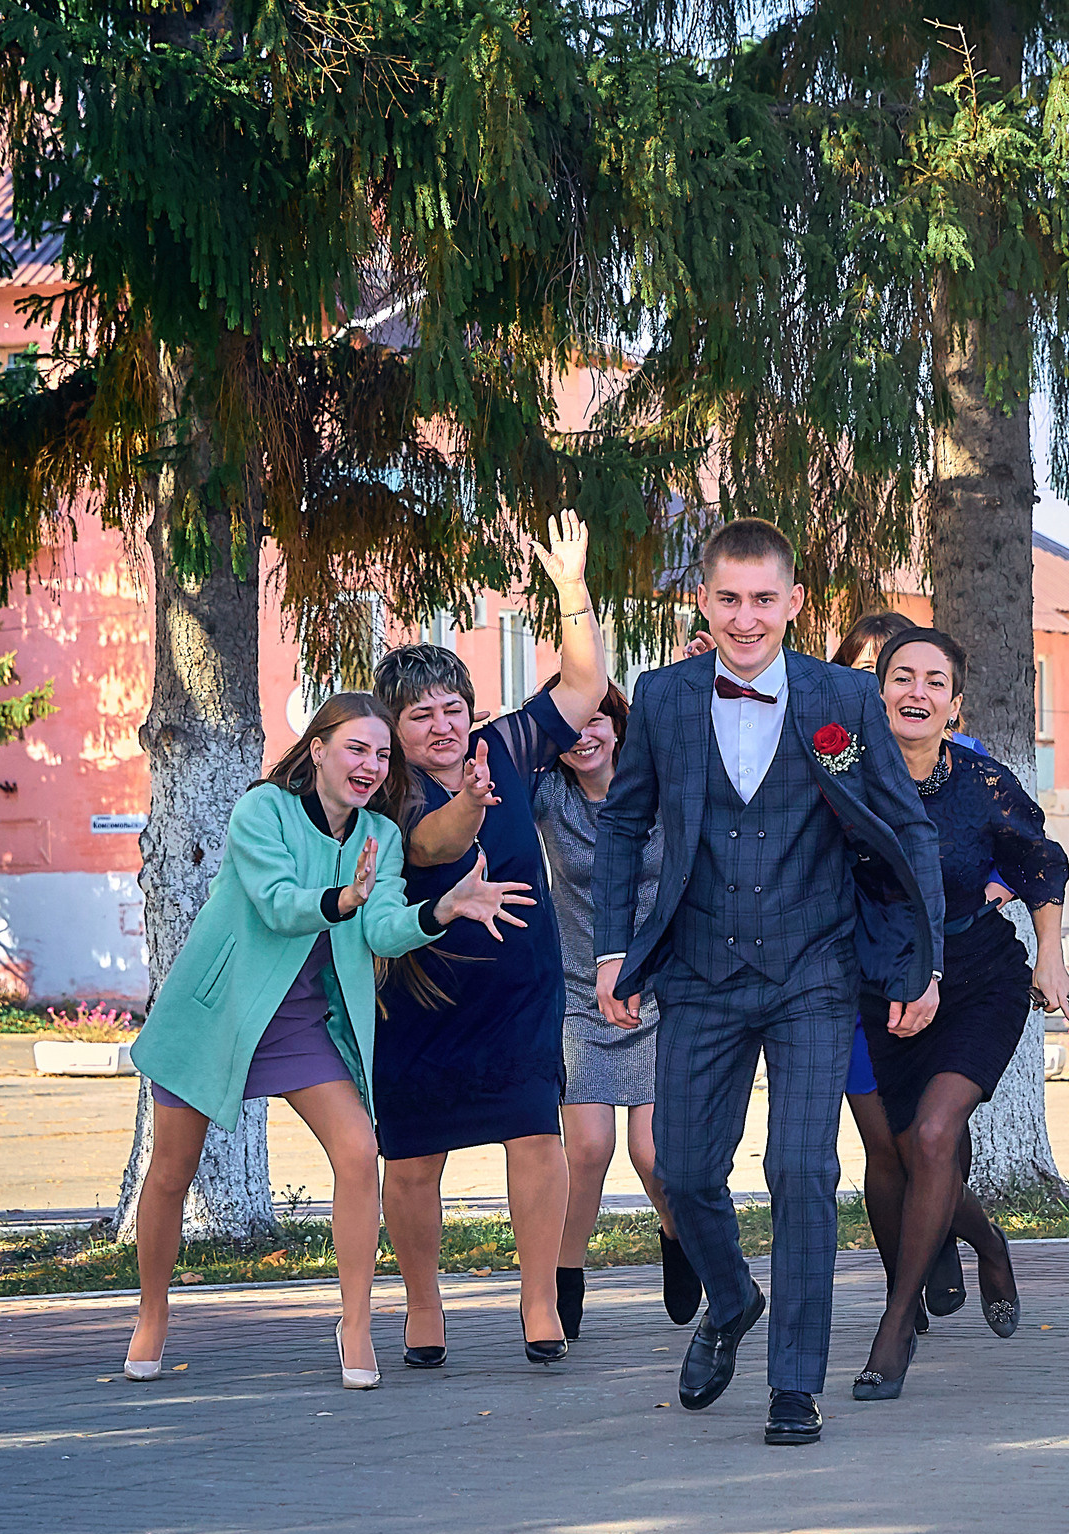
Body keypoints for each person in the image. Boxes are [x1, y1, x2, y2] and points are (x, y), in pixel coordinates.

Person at [592, 518, 942, 1446]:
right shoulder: (664, 699)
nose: (746, 618)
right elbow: (624, 826)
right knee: (684, 1169)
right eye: (728, 598)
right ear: (702, 602)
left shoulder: (844, 697)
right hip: (700, 969)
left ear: (794, 602)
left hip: (813, 971)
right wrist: (610, 951)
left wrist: (924, 959)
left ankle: (796, 1383)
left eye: (763, 599)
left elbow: (909, 830)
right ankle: (731, 1294)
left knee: (801, 1169)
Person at [123, 693, 531, 1388]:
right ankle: (153, 1312)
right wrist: (343, 897)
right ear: (316, 748)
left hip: (301, 1023)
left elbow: (381, 930)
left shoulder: (380, 834)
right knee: (170, 1172)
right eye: (356, 748)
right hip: (218, 1014)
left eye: (380, 754)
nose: (371, 765)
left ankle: (355, 1322)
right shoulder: (263, 811)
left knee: (358, 1150)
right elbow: (279, 903)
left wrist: (444, 907)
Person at [371, 512, 609, 1368]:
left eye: (452, 708)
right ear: (391, 727)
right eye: (421, 715)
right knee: (410, 1161)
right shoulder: (382, 788)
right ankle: (424, 1308)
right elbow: (431, 843)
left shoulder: (501, 743)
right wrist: (472, 801)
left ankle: (539, 1302)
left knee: (536, 1137)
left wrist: (571, 588)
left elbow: (582, 688)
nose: (442, 724)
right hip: (419, 994)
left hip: (516, 987)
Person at [847, 629, 1069, 1400]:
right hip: (878, 979)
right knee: (900, 1150)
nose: (916, 693)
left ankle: (894, 1326)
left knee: (935, 1134)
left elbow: (1040, 861)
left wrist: (1049, 952)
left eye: (934, 682)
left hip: (979, 975)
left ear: (955, 704)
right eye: (901, 678)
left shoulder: (981, 783)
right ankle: (987, 1241)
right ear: (877, 692)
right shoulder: (843, 775)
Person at [530, 674, 696, 1333]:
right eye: (569, 726)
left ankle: (678, 1236)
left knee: (654, 1155)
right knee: (588, 1147)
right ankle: (560, 1280)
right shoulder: (547, 797)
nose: (584, 735)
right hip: (578, 995)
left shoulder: (661, 786)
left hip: (663, 992)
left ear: (620, 723)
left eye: (597, 720)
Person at [829, 611, 975, 1326]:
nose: (897, 691)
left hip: (939, 971)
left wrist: (996, 884)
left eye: (923, 678)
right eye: (868, 674)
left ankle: (940, 1235)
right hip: (848, 974)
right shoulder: (832, 761)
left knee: (939, 1132)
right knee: (885, 1141)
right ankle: (902, 1287)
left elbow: (1009, 844)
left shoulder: (959, 757)